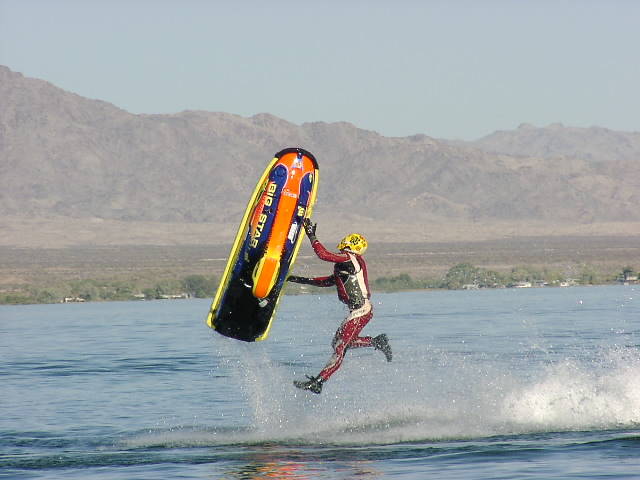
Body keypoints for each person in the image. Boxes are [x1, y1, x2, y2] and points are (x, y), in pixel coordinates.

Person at [287, 218, 392, 394]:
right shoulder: (347, 263)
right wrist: (297, 279)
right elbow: (328, 282)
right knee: (337, 342)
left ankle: (319, 382)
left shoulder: (350, 259)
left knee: (340, 347)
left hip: (361, 311)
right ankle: (376, 341)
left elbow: (323, 255)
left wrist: (311, 235)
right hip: (359, 311)